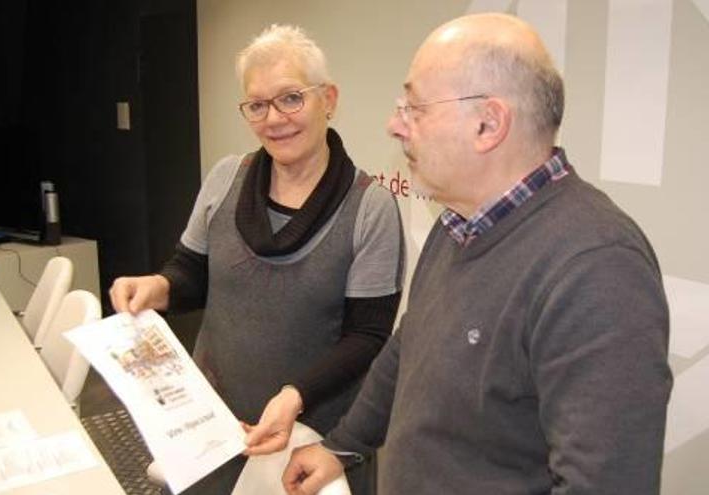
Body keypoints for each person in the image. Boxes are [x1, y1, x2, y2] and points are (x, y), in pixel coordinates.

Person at [282, 13, 672, 495]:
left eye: (414, 108)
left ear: (488, 124)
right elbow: (410, 348)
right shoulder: (460, 221)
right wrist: (343, 443)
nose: (394, 126)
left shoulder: (597, 266)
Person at [109, 24, 404, 494]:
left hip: (310, 443)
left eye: (291, 98)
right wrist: (159, 287)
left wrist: (295, 397)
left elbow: (367, 337)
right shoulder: (227, 177)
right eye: (257, 105)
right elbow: (192, 271)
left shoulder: (370, 208)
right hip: (211, 427)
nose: (274, 118)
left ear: (328, 98)